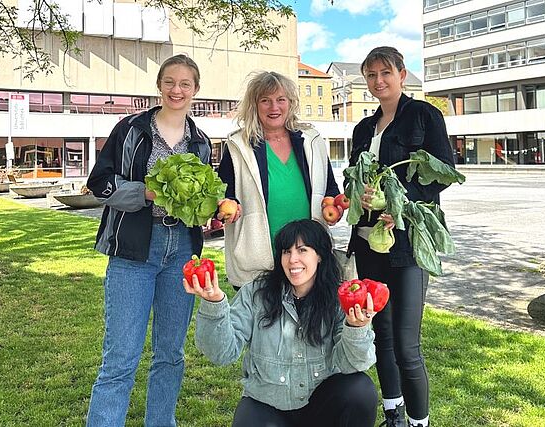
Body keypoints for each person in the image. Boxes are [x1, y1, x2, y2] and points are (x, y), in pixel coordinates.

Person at [85, 54, 212, 426]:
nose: (177, 90)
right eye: (170, 82)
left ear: (195, 90)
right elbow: (100, 185)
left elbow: (199, 200)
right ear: (160, 85)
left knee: (171, 353)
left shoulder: (201, 143)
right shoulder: (131, 130)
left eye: (185, 84)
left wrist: (208, 206)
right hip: (133, 251)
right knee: (121, 357)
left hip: (182, 252)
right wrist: (148, 193)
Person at [346, 47, 456, 427]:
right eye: (371, 75)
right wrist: (357, 191)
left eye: (385, 73)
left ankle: (418, 422)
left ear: (402, 74)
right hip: (368, 243)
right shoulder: (363, 128)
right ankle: (393, 412)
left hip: (406, 244)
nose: (379, 81)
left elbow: (442, 173)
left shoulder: (425, 116)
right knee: (382, 336)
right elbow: (354, 177)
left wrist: (403, 204)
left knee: (407, 346)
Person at [184, 219, 379, 427]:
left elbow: (355, 363)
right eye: (286, 251)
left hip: (321, 406)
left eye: (302, 250)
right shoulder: (256, 293)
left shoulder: (339, 297)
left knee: (360, 390)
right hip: (267, 404)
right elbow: (221, 353)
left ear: (320, 255)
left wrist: (356, 328)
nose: (293, 259)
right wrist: (214, 304)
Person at [216, 71, 340, 289]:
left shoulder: (311, 141)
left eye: (280, 100)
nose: (274, 107)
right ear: (255, 105)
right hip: (258, 258)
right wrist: (228, 206)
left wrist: (333, 208)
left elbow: (330, 188)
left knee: (309, 320)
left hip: (306, 257)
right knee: (261, 321)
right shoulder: (239, 146)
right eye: (265, 100)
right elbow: (223, 194)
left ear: (290, 103)